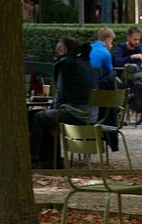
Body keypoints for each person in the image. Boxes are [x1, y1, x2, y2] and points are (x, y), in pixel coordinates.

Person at [30, 37, 97, 168]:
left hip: (76, 114)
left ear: (63, 50)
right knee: (45, 117)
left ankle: (35, 159)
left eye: (57, 50)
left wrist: (52, 111)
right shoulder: (85, 62)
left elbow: (60, 95)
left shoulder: (66, 66)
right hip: (91, 114)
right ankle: (52, 158)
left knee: (38, 116)